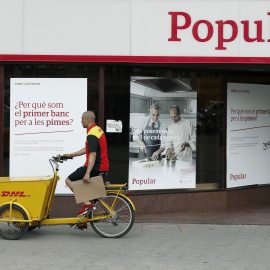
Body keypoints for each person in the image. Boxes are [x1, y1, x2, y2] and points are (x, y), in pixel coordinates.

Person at [64, 111, 109, 231]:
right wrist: (71, 155)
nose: (81, 121)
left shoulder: (92, 134)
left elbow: (93, 154)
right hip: (102, 165)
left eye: (82, 119)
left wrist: (87, 173)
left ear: (87, 120)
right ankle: (83, 220)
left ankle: (88, 205)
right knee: (86, 192)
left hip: (96, 166)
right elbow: (88, 149)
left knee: (69, 180)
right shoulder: (97, 130)